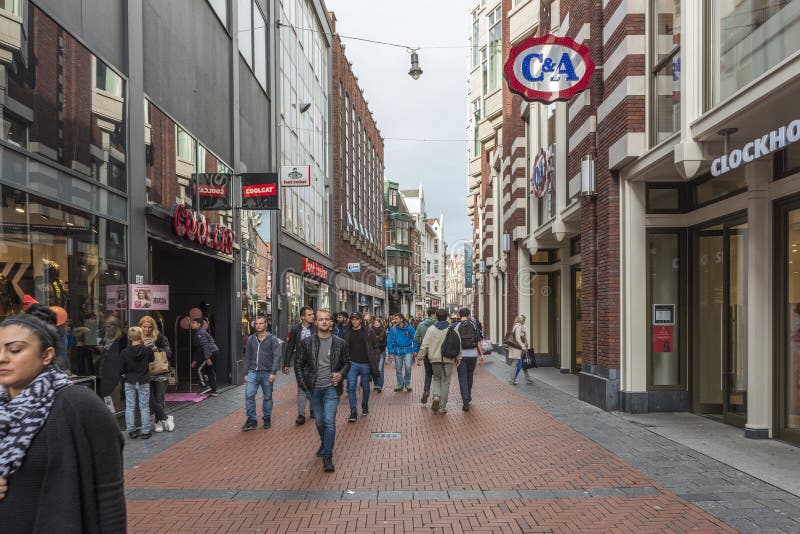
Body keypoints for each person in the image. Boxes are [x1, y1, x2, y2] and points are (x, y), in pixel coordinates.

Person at [0, 308, 126, 532]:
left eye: (15, 350)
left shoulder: (78, 405)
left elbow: (109, 494)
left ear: (47, 355)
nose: (2, 358)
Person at [294, 309, 350, 473]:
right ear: (316, 323)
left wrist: (341, 374)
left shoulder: (340, 343)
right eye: (321, 319)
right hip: (314, 389)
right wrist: (304, 386)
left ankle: (327, 456)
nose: (324, 322)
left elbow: (347, 363)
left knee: (330, 422)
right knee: (319, 422)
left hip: (331, 389)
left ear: (331, 323)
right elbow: (298, 365)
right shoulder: (307, 343)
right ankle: (324, 442)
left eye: (327, 319)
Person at [417, 309, 462, 415]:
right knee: (445, 382)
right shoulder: (452, 329)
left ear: (436, 317)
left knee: (436, 379)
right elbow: (458, 344)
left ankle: (436, 397)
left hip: (434, 359)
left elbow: (425, 345)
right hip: (449, 359)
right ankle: (442, 407)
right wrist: (458, 358)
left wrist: (420, 357)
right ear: (447, 316)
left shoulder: (431, 329)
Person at [242, 315, 281, 431]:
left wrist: (273, 372)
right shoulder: (251, 339)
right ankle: (252, 419)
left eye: (261, 323)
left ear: (266, 324)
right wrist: (245, 372)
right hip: (253, 372)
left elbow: (277, 357)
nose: (258, 326)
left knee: (267, 397)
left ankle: (267, 417)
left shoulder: (273, 339)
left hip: (267, 373)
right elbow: (247, 356)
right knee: (249, 395)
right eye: (257, 324)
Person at [139, 315, 175, 433]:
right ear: (140, 326)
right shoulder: (136, 338)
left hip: (160, 372)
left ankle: (158, 421)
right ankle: (166, 417)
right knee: (151, 399)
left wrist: (157, 349)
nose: (147, 330)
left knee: (159, 397)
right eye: (144, 327)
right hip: (145, 372)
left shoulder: (159, 337)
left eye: (150, 327)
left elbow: (169, 353)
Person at [283, 306, 316, 425]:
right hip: (300, 363)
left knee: (313, 387)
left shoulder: (316, 328)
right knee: (301, 388)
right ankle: (301, 415)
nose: (312, 316)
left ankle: (313, 409)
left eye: (313, 314)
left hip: (314, 363)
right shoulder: (295, 329)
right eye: (309, 315)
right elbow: (290, 346)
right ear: (302, 317)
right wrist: (286, 364)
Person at [120, 326, 154, 439]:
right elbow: (152, 359)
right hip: (143, 380)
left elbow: (122, 368)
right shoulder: (147, 350)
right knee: (144, 406)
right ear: (141, 336)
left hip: (130, 380)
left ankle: (131, 430)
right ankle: (145, 431)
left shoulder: (124, 352)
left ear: (130, 337)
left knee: (130, 406)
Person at [344, 312, 379, 422]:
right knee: (351, 387)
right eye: (353, 319)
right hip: (352, 364)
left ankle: (364, 404)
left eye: (357, 319)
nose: (354, 321)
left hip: (366, 364)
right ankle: (353, 411)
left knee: (366, 387)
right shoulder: (347, 332)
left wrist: (375, 359)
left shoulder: (369, 332)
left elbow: (376, 347)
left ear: (360, 320)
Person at [455, 308, 484, 411]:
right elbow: (478, 341)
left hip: (461, 356)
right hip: (473, 355)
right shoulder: (473, 325)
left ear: (459, 315)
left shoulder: (456, 326)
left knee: (462, 377)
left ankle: (465, 401)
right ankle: (468, 396)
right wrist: (481, 354)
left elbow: (454, 343)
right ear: (468, 315)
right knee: (470, 376)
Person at [387, 313, 417, 392]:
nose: (395, 320)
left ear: (402, 319)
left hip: (408, 350)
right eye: (394, 318)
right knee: (398, 369)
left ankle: (407, 383)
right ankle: (400, 384)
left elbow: (416, 339)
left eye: (396, 319)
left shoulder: (410, 328)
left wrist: (416, 350)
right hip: (397, 351)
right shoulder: (393, 329)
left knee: (408, 367)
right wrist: (390, 352)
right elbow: (389, 341)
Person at [413, 307, 437, 404]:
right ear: (434, 314)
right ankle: (436, 396)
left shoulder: (421, 325)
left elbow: (415, 338)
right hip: (437, 352)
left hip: (426, 352)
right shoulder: (439, 325)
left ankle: (426, 391)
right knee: (437, 376)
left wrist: (423, 343)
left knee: (428, 373)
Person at [191, 318, 219, 396]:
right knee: (209, 371)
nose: (191, 324)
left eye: (193, 323)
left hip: (211, 353)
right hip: (211, 353)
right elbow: (198, 349)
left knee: (199, 369)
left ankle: (204, 386)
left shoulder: (201, 333)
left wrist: (208, 358)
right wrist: (195, 360)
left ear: (199, 324)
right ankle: (214, 391)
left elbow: (205, 346)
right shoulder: (199, 333)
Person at [508, 315, 533, 385]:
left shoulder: (517, 326)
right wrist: (523, 346)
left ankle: (528, 378)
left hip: (519, 348)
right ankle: (511, 379)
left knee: (524, 362)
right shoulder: (518, 326)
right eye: (524, 320)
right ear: (522, 320)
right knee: (515, 363)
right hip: (518, 348)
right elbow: (518, 338)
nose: (525, 322)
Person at [371, 317, 388, 392]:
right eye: (375, 322)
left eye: (378, 322)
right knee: (374, 369)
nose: (376, 323)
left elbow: (384, 343)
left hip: (381, 352)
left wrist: (376, 344)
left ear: (380, 323)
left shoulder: (383, 332)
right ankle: (376, 384)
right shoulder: (370, 332)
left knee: (380, 369)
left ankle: (380, 385)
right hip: (372, 353)